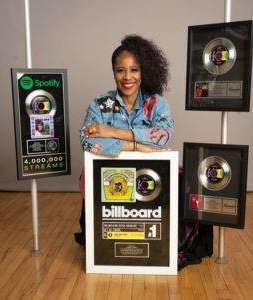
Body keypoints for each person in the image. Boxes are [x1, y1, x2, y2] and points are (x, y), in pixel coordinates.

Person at [75, 34, 174, 247]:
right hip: (110, 178)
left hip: (149, 179)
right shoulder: (99, 105)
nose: (127, 77)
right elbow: (86, 140)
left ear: (143, 72)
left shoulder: (157, 103)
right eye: (121, 70)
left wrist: (111, 132)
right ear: (113, 73)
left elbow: (163, 135)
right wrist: (137, 146)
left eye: (134, 69)